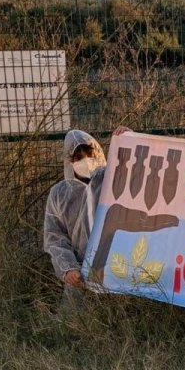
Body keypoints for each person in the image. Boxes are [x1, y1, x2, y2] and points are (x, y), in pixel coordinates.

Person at [43, 126, 128, 316]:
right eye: (78, 157)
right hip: (79, 273)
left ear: (97, 151)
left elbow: (140, 174)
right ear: (69, 161)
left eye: (88, 153)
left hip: (117, 266)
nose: (85, 161)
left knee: (121, 322)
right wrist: (68, 269)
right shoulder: (59, 194)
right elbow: (55, 237)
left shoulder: (113, 179)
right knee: (72, 327)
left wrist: (129, 142)